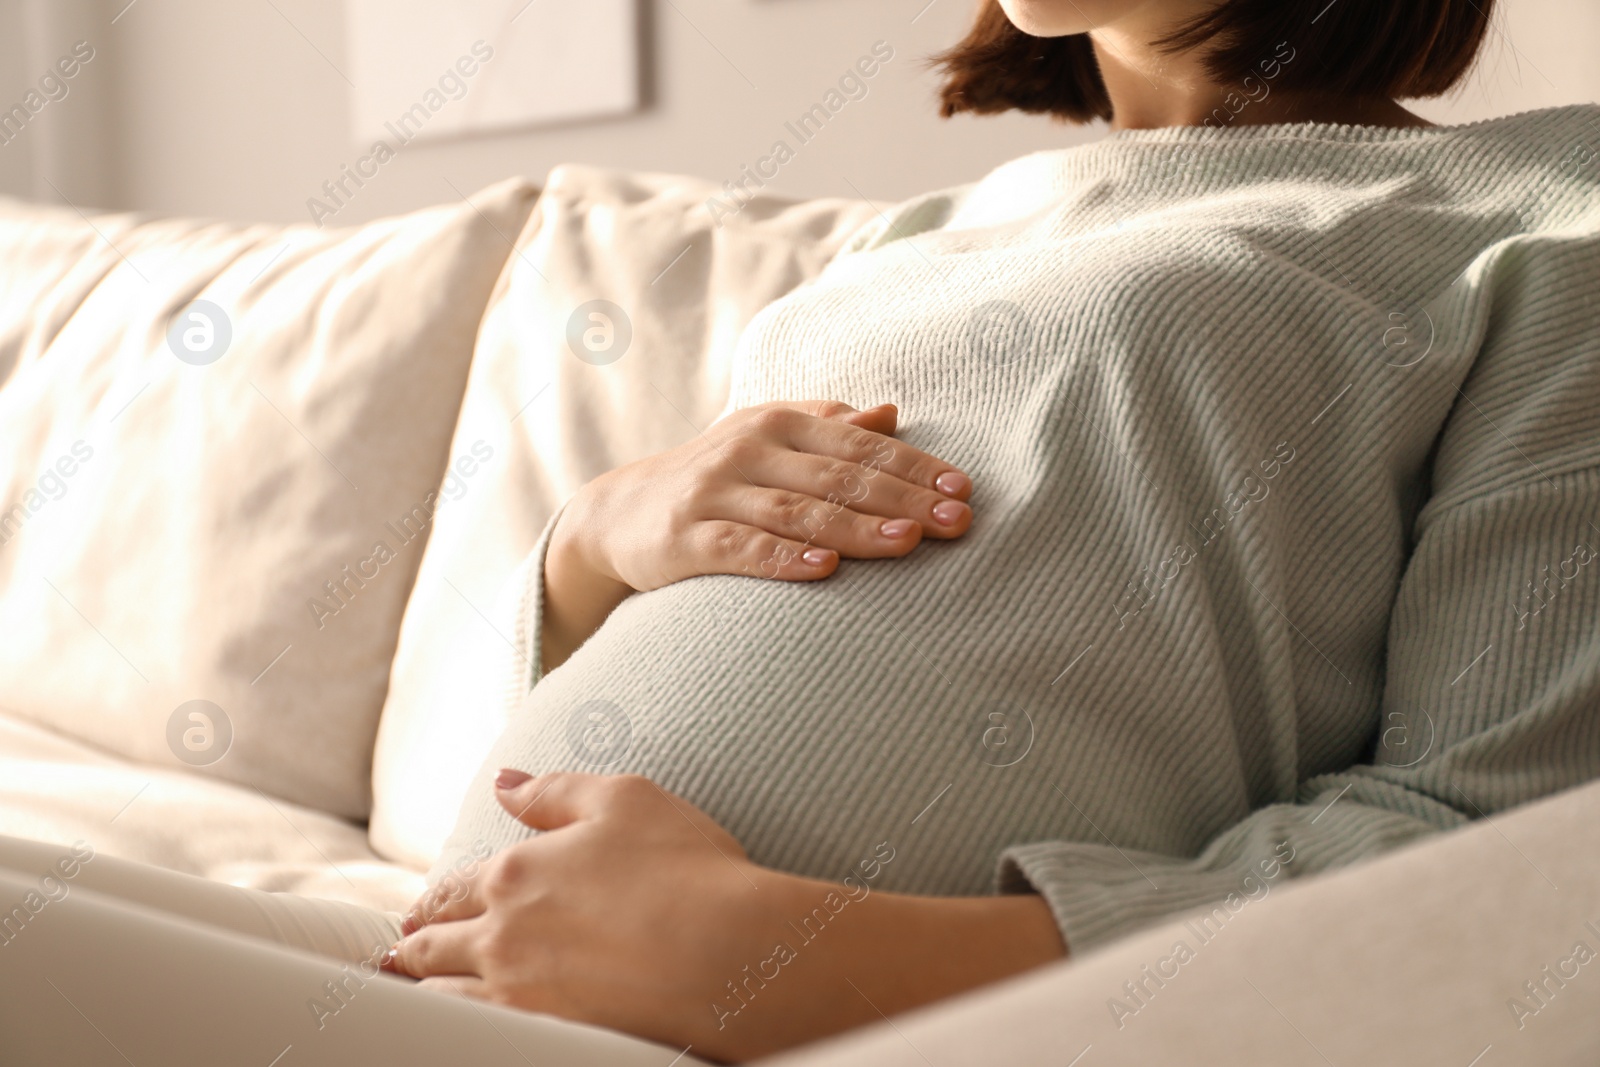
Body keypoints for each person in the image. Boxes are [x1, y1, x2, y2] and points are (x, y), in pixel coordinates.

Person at [5, 1, 1599, 1063]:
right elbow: (519, 760)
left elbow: (1489, 851)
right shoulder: (926, 236)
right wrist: (591, 547)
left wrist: (790, 961)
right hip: (448, 959)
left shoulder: (1544, 224)